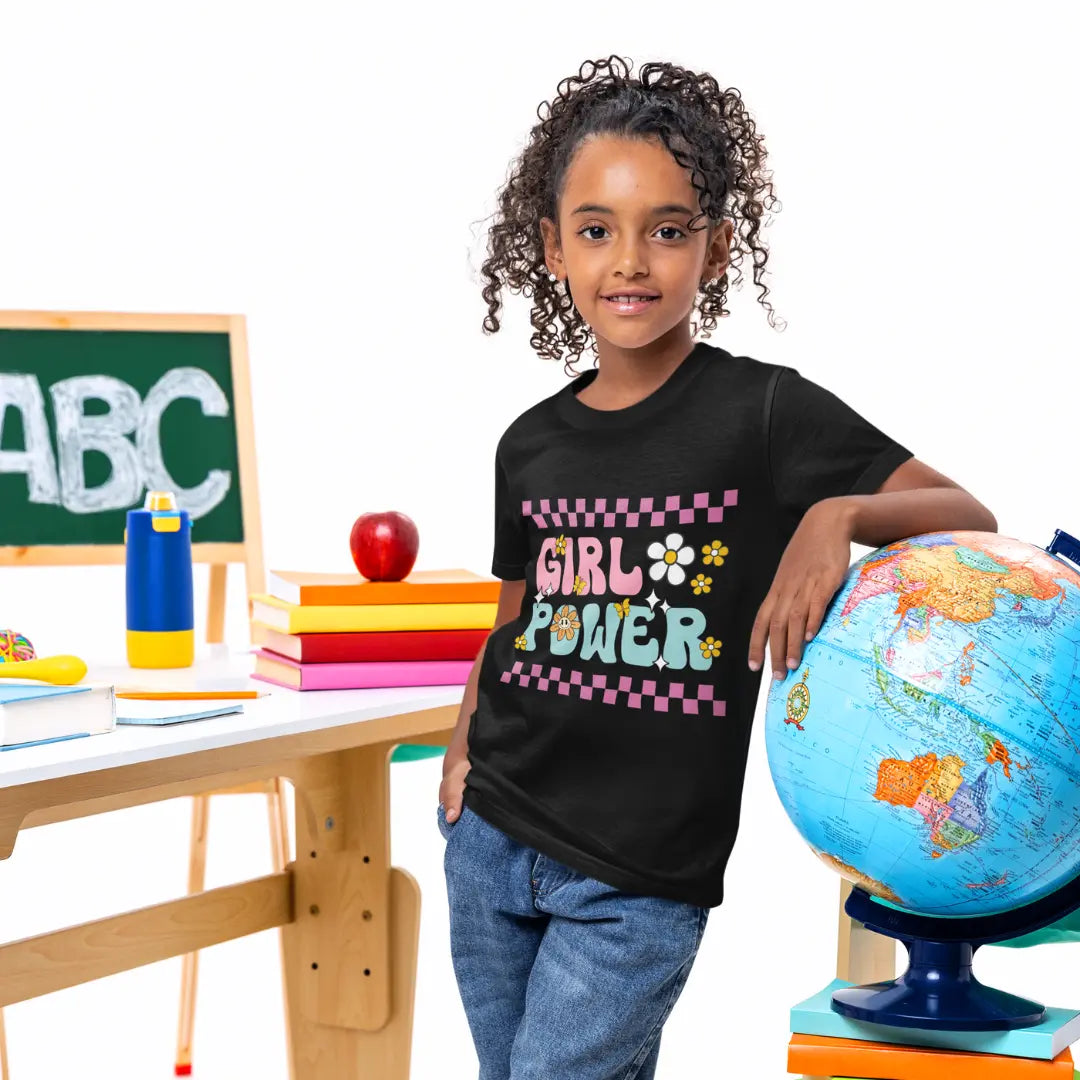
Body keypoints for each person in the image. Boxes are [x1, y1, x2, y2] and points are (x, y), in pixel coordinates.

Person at [437, 55, 997, 1080]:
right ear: (554, 249)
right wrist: (461, 746)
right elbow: (513, 616)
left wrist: (838, 510)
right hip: (491, 842)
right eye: (597, 230)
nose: (631, 259)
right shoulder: (528, 444)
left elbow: (968, 513)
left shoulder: (766, 413)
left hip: (638, 877)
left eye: (668, 227)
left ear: (716, 246)